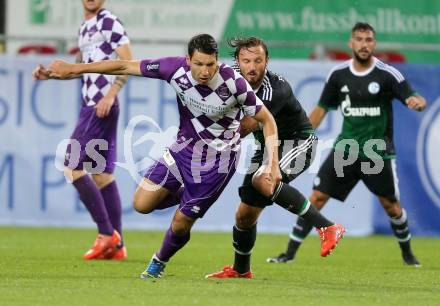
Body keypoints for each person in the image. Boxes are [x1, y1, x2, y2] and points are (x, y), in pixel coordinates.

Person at [45, 33, 283, 279]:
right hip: (183, 149)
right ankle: (188, 199)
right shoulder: (173, 69)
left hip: (217, 162)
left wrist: (272, 164)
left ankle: (159, 261)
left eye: (210, 64)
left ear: (217, 60)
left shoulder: (234, 83)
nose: (205, 71)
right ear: (188, 59)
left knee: (181, 223)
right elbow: (124, 65)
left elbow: (268, 121)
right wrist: (75, 68)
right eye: (199, 64)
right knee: (141, 204)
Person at [267, 22, 426, 266]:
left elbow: (412, 96)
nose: (364, 44)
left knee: (391, 207)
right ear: (351, 43)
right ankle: (288, 253)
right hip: (346, 150)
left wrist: (417, 101)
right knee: (317, 197)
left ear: (374, 43)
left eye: (369, 40)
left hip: (377, 153)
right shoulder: (339, 75)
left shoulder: (387, 74)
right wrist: (301, 135)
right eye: (359, 39)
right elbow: (320, 111)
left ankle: (408, 254)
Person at [205, 37, 345, 279]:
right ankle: (241, 270)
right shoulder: (230, 82)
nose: (252, 66)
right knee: (244, 215)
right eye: (246, 60)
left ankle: (327, 227)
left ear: (267, 61)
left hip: (298, 142)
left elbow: (245, 127)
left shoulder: (274, 89)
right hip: (266, 147)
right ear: (237, 62)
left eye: (258, 60)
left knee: (262, 179)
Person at [32, 0, 133, 260]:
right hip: (92, 105)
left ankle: (106, 234)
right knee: (101, 175)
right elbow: (79, 68)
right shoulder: (86, 27)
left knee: (71, 165)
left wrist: (110, 94)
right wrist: (50, 75)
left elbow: (127, 60)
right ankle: (118, 247)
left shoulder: (107, 21)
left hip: (100, 105)